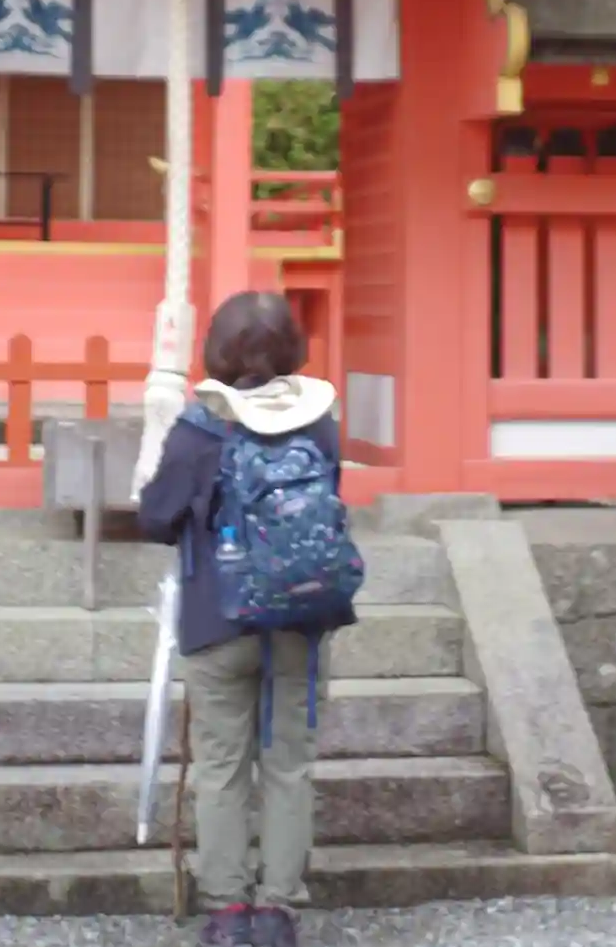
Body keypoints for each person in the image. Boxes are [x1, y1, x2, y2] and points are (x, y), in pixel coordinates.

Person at [137, 291, 361, 947]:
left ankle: (229, 911)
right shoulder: (319, 420)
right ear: (293, 346)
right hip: (303, 615)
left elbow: (156, 518)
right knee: (289, 766)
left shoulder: (200, 427)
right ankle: (278, 910)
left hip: (218, 618)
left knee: (222, 766)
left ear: (217, 349)